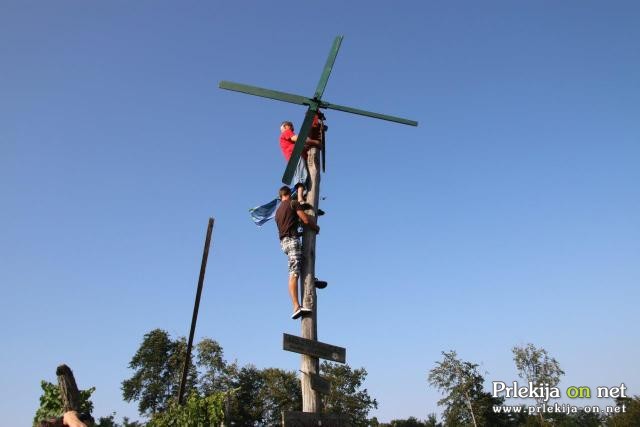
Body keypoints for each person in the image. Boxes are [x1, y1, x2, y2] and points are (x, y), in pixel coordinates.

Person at [275, 186, 320, 319]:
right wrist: (315, 227)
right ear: (289, 194)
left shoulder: (277, 212)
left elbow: (288, 225)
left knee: (302, 262)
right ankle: (296, 306)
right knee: (294, 273)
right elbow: (305, 219)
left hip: (284, 242)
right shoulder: (293, 203)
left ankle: (312, 279)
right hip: (292, 240)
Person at [279, 119, 322, 203]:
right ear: (285, 127)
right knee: (301, 175)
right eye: (290, 126)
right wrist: (315, 142)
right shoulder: (286, 132)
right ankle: (300, 198)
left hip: (296, 156)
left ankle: (302, 197)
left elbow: (302, 143)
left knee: (304, 175)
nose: (292, 129)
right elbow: (299, 139)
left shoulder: (288, 137)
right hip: (295, 156)